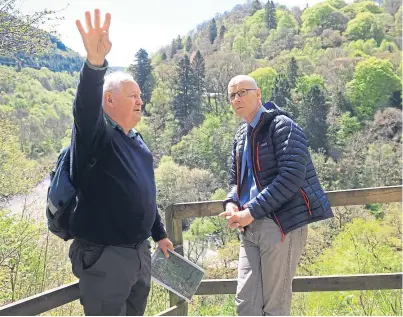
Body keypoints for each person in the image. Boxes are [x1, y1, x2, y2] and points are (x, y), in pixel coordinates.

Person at [68, 9, 173, 316]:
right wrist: (94, 64)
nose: (140, 100)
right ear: (109, 100)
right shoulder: (95, 136)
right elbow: (85, 108)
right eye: (132, 95)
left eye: (140, 95)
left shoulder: (137, 142)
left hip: (139, 253)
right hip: (105, 256)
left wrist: (160, 233)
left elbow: (144, 194)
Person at [219, 75, 333, 316]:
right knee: (246, 304)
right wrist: (231, 202)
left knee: (275, 307)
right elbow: (236, 180)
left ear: (258, 94)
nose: (237, 98)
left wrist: (251, 211)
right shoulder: (241, 135)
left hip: (281, 224)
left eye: (242, 92)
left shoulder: (282, 126)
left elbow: (291, 176)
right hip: (249, 227)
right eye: (232, 95)